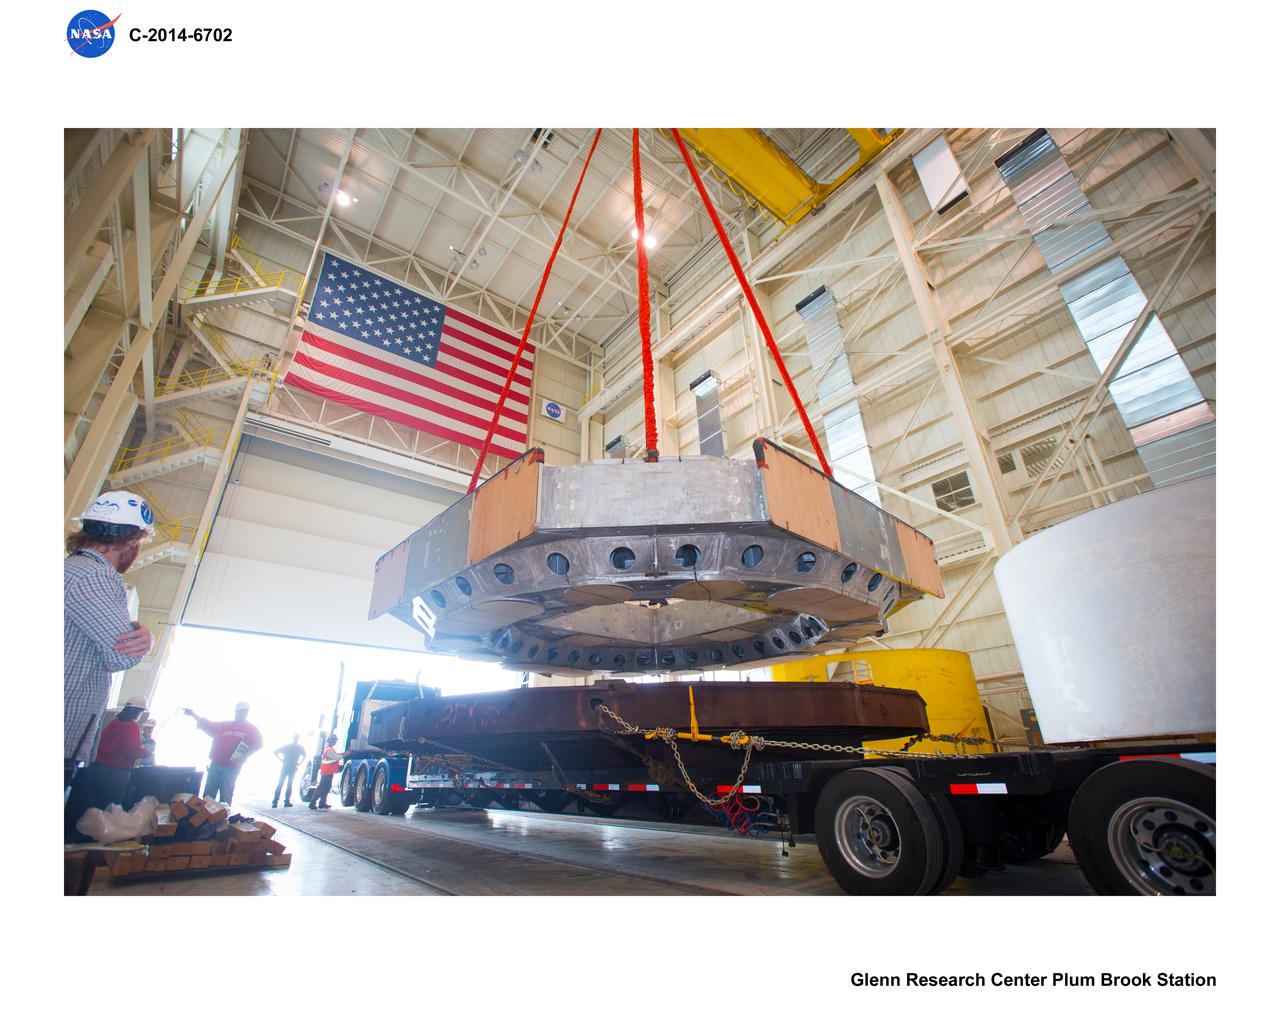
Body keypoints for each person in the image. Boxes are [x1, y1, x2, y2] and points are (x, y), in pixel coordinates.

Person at [65, 491, 156, 775]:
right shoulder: (96, 576)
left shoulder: (68, 569)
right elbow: (120, 655)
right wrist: (145, 639)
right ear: (131, 541)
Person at [64, 697, 149, 842]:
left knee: (86, 805)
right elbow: (131, 750)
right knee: (108, 810)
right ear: (139, 712)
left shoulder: (113, 724)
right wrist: (146, 752)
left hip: (95, 768)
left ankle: (73, 837)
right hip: (116, 773)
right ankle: (96, 839)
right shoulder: (132, 727)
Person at [184, 702, 263, 805]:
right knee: (208, 795)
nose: (239, 714)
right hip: (215, 765)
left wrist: (245, 756)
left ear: (246, 712)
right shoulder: (225, 725)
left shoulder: (252, 729)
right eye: (238, 712)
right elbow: (208, 724)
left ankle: (223, 817)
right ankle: (204, 817)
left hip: (232, 768)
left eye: (242, 712)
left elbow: (258, 745)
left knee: (225, 796)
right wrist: (193, 715)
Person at [308, 734, 342, 810]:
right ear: (330, 740)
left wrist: (343, 754)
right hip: (327, 771)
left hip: (329, 771)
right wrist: (345, 755)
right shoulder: (329, 750)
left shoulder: (330, 749)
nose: (335, 742)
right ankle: (312, 802)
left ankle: (322, 802)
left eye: (335, 740)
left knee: (326, 787)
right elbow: (336, 757)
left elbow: (336, 755)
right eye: (334, 740)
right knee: (321, 787)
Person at [272, 734, 307, 808]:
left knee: (280, 784)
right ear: (297, 739)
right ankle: (287, 801)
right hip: (293, 767)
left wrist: (282, 760)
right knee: (289, 784)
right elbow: (304, 756)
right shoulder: (299, 747)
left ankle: (275, 801)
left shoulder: (287, 747)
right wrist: (299, 763)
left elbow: (275, 752)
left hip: (285, 766)